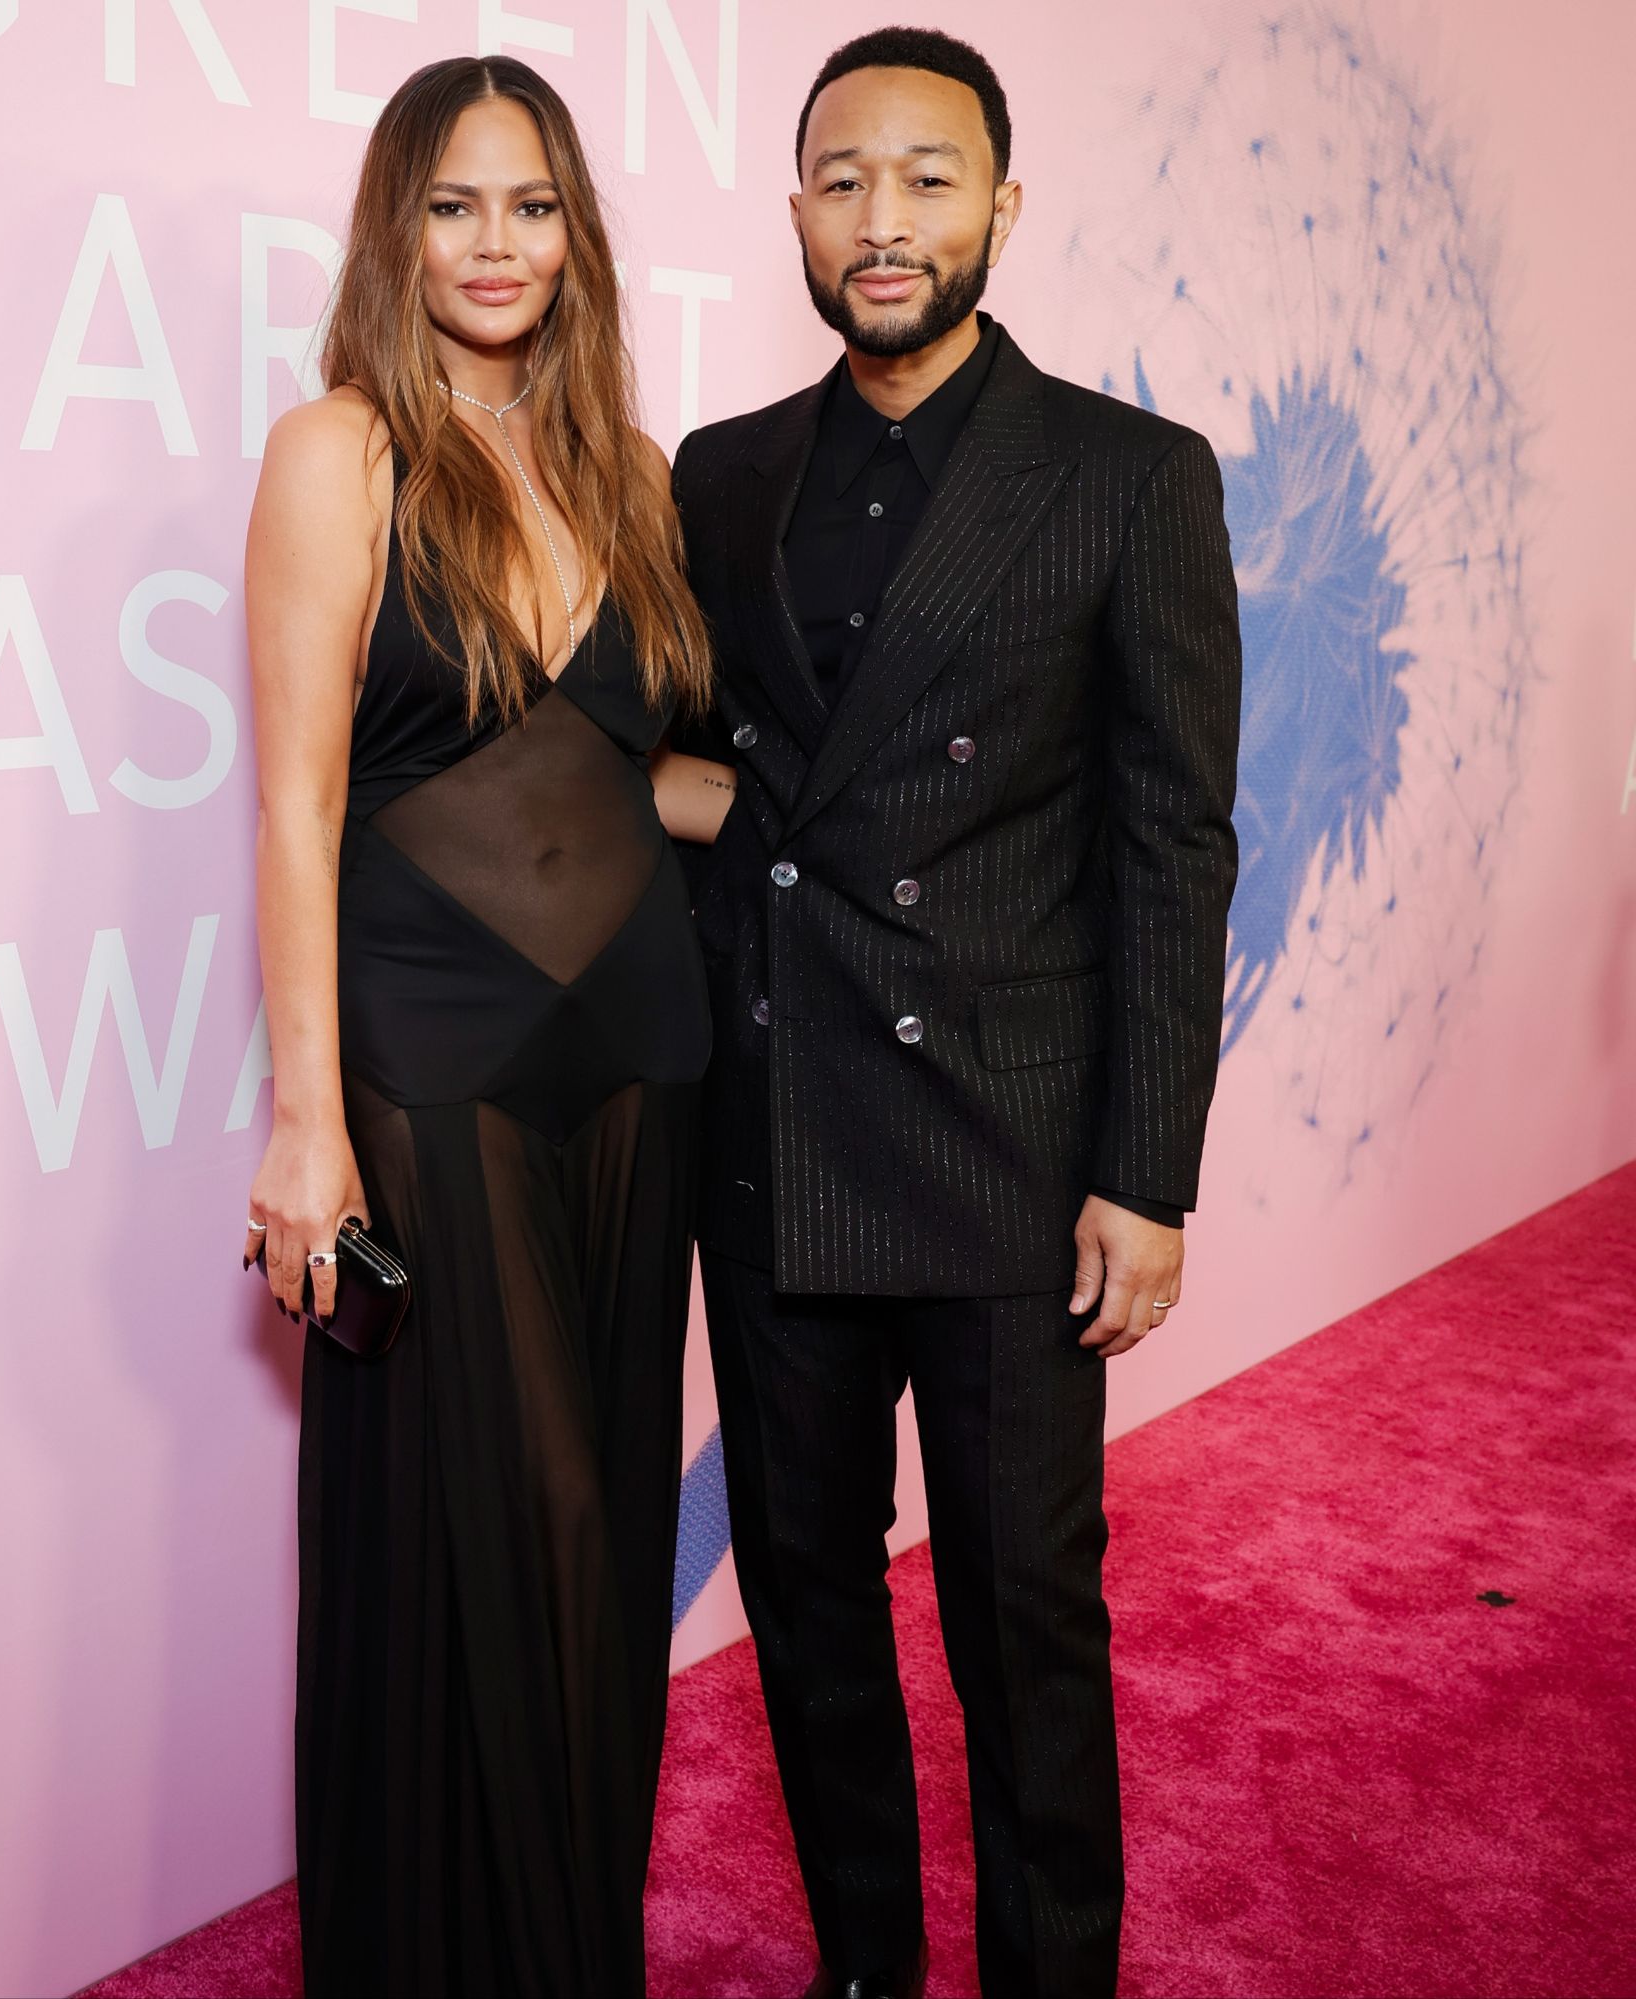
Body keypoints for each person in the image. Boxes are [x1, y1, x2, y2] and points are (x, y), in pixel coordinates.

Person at [671, 27, 1243, 1999]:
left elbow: (1173, 842)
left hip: (1005, 1153)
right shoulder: (722, 474)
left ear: (1002, 202)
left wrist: (1144, 1173)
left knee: (1020, 1618)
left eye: (926, 177)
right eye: (843, 180)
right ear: (798, 214)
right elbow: (709, 771)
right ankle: (861, 1971)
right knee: (813, 1609)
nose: (882, 219)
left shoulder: (1126, 476)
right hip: (774, 1135)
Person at [238, 54, 734, 1999]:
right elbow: (295, 795)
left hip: (640, 1053)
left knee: (603, 1534)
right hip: (429, 1065)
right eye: (455, 205)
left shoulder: (622, 462)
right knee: (492, 1525)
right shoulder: (338, 451)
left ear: (573, 231)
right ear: (396, 228)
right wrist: (306, 1120)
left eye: (529, 204)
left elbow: (629, 775)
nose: (497, 242)